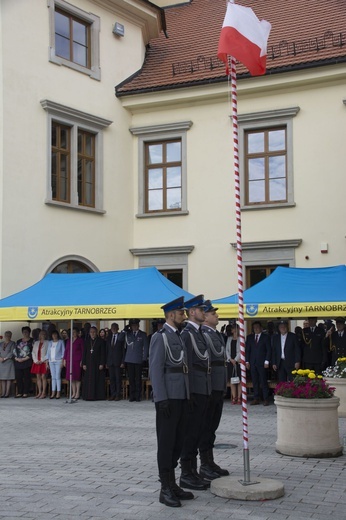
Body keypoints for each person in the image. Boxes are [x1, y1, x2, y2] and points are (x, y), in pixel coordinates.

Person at [149, 296, 193, 507]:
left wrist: (188, 395)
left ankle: (172, 483)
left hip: (181, 396)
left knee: (178, 442)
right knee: (166, 444)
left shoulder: (179, 336)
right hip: (168, 398)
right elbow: (156, 369)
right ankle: (164, 488)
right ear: (170, 315)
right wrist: (161, 398)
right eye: (181, 313)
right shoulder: (161, 337)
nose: (184, 315)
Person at [179, 295, 210, 491]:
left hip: (203, 387)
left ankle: (193, 470)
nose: (204, 313)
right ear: (192, 312)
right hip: (195, 390)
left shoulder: (198, 333)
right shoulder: (187, 334)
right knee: (190, 433)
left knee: (198, 431)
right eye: (200, 310)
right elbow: (187, 365)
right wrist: (188, 393)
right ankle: (186, 473)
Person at [199, 300, 229, 480]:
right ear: (205, 317)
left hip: (218, 386)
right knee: (206, 426)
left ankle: (210, 461)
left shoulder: (215, 334)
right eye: (213, 314)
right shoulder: (203, 334)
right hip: (210, 387)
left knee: (213, 426)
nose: (216, 315)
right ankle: (204, 463)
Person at [245, 321, 272, 406]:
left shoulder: (266, 337)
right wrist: (247, 361)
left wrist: (267, 361)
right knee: (255, 381)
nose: (256, 329)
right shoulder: (249, 337)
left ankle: (266, 398)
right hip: (253, 363)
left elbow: (269, 350)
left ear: (261, 328)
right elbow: (247, 350)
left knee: (263, 381)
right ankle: (256, 398)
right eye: (254, 327)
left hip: (262, 362)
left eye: (257, 327)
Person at [124, 319, 148, 402]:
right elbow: (120, 339)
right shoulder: (128, 334)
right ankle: (132, 396)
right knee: (131, 379)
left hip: (138, 359)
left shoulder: (143, 334)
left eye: (135, 325)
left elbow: (146, 347)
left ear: (138, 325)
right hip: (129, 359)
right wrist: (125, 330)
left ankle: (138, 396)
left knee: (138, 379)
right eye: (132, 325)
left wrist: (144, 358)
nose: (134, 327)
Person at [82, 326, 106, 401]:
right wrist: (84, 364)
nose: (92, 334)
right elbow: (84, 353)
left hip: (97, 364)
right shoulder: (87, 341)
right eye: (91, 332)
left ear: (96, 333)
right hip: (88, 364)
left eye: (94, 332)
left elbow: (103, 353)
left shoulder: (100, 341)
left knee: (97, 380)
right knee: (88, 380)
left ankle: (97, 396)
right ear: (89, 333)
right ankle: (88, 396)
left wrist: (102, 363)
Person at [106, 323, 125, 401]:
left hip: (118, 362)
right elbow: (107, 351)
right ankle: (113, 394)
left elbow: (123, 351)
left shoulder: (121, 337)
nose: (113, 329)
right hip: (110, 362)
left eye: (115, 328)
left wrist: (122, 362)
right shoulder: (109, 338)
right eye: (112, 328)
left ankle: (118, 394)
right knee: (112, 379)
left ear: (118, 328)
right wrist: (106, 362)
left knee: (118, 379)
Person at [63, 328, 84, 399]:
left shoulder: (80, 340)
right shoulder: (69, 340)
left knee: (77, 377)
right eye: (72, 332)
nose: (73, 334)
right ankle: (73, 392)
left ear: (77, 333)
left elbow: (83, 351)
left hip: (77, 361)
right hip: (69, 361)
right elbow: (66, 351)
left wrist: (82, 360)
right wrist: (64, 359)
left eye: (74, 332)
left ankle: (78, 392)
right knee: (71, 377)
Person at [14, 326, 33, 398]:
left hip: (27, 362)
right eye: (24, 332)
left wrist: (24, 359)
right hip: (18, 362)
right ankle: (19, 392)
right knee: (19, 377)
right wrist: (16, 358)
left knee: (27, 377)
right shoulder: (18, 341)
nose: (25, 333)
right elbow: (15, 351)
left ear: (29, 332)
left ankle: (26, 392)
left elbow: (32, 352)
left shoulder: (32, 341)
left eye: (26, 332)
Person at [46, 330, 65, 399]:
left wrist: (63, 361)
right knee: (53, 377)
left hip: (58, 361)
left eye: (55, 334)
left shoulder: (61, 342)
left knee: (57, 376)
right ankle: (53, 391)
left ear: (57, 335)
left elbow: (63, 352)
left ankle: (58, 392)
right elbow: (48, 352)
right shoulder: (50, 342)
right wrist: (47, 361)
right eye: (53, 334)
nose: (54, 336)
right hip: (51, 361)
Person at [226, 322, 241, 404]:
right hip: (230, 362)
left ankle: (239, 397)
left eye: (235, 328)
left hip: (238, 362)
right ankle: (234, 396)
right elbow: (226, 350)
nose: (233, 330)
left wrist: (235, 359)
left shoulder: (241, 338)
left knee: (239, 380)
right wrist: (230, 359)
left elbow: (241, 350)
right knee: (232, 380)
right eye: (233, 328)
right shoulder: (229, 339)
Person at [31, 330, 49, 399]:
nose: (42, 335)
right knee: (38, 377)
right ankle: (39, 392)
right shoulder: (36, 343)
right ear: (39, 335)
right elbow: (33, 352)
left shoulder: (47, 342)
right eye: (41, 334)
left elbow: (48, 353)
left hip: (43, 361)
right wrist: (35, 360)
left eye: (44, 334)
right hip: (36, 362)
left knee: (43, 377)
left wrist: (42, 360)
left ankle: (44, 392)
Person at [0, 331, 16, 398]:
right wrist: (0, 358)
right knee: (3, 378)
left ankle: (7, 393)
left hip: (9, 362)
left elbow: (12, 352)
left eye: (9, 335)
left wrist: (5, 358)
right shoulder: (1, 343)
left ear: (11, 336)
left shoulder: (12, 343)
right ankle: (3, 393)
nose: (7, 336)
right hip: (1, 362)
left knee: (8, 378)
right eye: (6, 335)